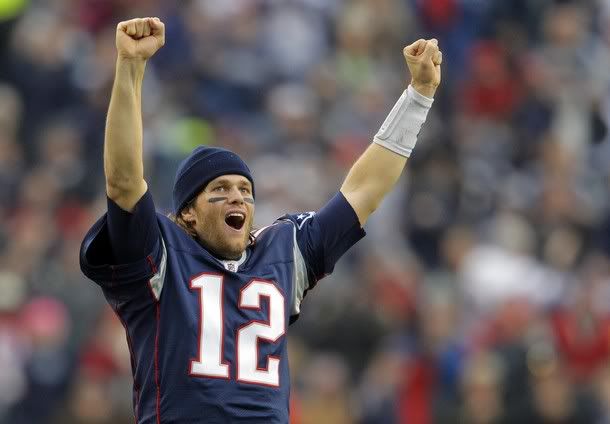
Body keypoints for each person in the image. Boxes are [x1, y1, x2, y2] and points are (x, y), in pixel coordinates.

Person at [79, 16, 442, 424]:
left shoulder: (282, 251)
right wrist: (130, 66)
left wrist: (419, 96)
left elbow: (363, 191)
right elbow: (125, 181)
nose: (237, 196)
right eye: (219, 190)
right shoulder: (162, 253)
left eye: (245, 190)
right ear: (187, 216)